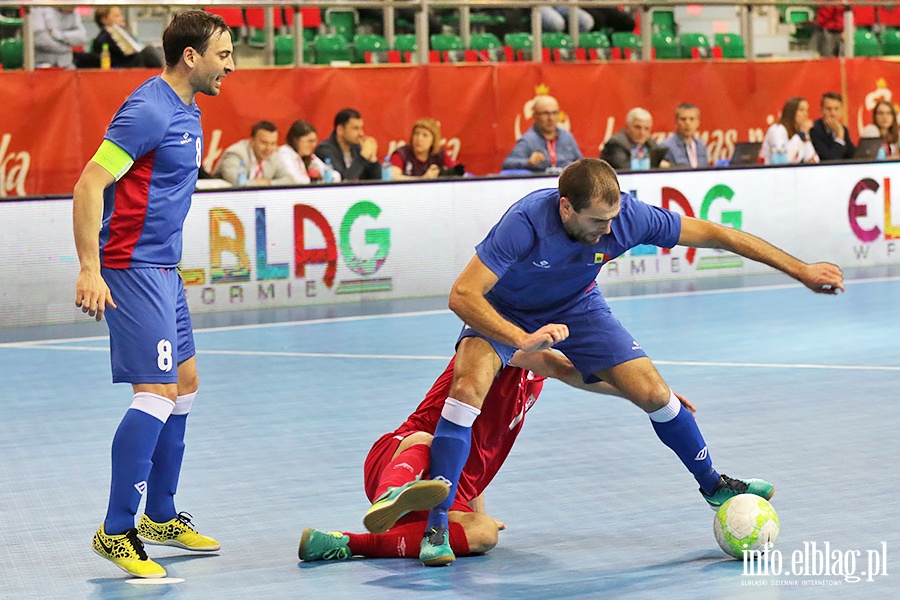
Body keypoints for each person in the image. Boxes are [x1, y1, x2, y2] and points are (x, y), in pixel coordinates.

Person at [396, 158, 843, 567]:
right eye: (597, 222)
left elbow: (716, 234)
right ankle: (437, 524)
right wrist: (521, 340)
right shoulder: (525, 222)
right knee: (466, 388)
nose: (608, 232)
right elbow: (462, 294)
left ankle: (713, 484)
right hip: (506, 311)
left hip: (577, 305)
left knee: (654, 393)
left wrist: (800, 269)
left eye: (612, 220)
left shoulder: (627, 217)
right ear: (566, 208)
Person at [72, 10, 234, 579]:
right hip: (131, 266)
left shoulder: (189, 110)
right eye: (223, 54)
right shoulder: (147, 109)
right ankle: (117, 531)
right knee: (157, 391)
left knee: (185, 384)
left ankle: (160, 515)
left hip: (165, 269)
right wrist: (90, 268)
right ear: (190, 56)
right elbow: (91, 182)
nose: (230, 65)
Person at [298, 350, 696, 563]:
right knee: (425, 437)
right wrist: (638, 389)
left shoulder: (537, 376)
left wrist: (651, 396)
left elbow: (481, 447)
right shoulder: (494, 348)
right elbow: (571, 368)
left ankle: (343, 543)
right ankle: (391, 495)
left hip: (441, 487)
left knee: (484, 533)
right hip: (400, 454)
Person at [502, 95, 583, 173]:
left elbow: (581, 163)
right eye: (545, 113)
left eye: (554, 113)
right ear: (535, 116)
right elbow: (508, 163)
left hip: (565, 182)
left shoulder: (567, 137)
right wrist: (528, 162)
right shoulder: (528, 140)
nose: (551, 118)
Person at [215, 120, 294, 187]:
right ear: (252, 141)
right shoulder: (236, 153)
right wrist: (256, 183)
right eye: (264, 143)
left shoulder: (273, 156)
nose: (268, 148)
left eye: (273, 143)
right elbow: (235, 182)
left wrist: (269, 183)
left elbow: (289, 180)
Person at [315, 108, 381, 181]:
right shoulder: (325, 150)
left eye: (361, 128)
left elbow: (376, 181)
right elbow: (342, 181)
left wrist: (373, 159)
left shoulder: (357, 148)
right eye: (355, 129)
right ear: (340, 130)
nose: (361, 133)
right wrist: (362, 157)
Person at [92, 6, 164, 69]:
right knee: (149, 52)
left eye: (121, 15)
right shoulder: (105, 36)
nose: (121, 18)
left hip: (133, 61)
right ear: (104, 20)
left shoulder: (121, 32)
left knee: (157, 50)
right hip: (124, 66)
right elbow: (129, 52)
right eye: (116, 16)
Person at [390, 118, 456, 180]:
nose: (419, 139)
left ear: (433, 141)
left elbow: (458, 173)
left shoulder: (440, 154)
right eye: (416, 134)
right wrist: (423, 179)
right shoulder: (401, 154)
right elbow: (393, 177)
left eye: (425, 135)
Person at [760, 97, 819, 165]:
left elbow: (814, 161)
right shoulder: (777, 130)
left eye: (807, 110)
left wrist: (804, 136)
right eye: (801, 110)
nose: (805, 114)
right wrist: (801, 135)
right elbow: (780, 161)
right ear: (791, 112)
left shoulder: (801, 134)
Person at [659, 103, 708, 169]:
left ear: (698, 122)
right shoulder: (666, 147)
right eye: (683, 119)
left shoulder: (701, 146)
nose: (688, 123)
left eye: (692, 119)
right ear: (676, 121)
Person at [277, 119, 327, 184]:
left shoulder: (310, 156)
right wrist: (313, 179)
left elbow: (334, 175)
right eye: (309, 141)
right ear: (296, 140)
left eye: (315, 141)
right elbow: (294, 179)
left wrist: (321, 175)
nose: (314, 145)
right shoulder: (284, 154)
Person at [809, 92, 855, 161]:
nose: (833, 114)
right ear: (821, 111)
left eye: (836, 109)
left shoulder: (843, 129)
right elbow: (830, 159)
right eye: (828, 109)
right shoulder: (814, 130)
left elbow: (853, 156)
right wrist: (839, 137)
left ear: (842, 111)